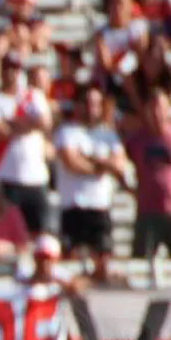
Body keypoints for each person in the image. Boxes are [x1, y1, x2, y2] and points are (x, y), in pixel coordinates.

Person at [55, 84, 127, 286]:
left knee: (103, 262)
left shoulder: (108, 135)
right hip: (74, 206)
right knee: (71, 261)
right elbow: (72, 163)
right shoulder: (67, 132)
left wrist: (89, 159)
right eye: (87, 103)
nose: (91, 108)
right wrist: (101, 165)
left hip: (99, 207)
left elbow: (118, 164)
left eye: (95, 104)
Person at [0, 53, 53, 235]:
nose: (12, 74)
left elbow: (44, 122)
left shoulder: (33, 96)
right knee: (7, 230)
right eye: (8, 68)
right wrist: (28, 124)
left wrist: (12, 123)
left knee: (38, 230)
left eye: (16, 69)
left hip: (35, 178)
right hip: (5, 176)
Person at [125, 90, 171, 261]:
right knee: (140, 261)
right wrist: (130, 187)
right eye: (153, 108)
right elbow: (121, 165)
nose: (157, 113)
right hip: (147, 209)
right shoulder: (136, 140)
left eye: (161, 107)